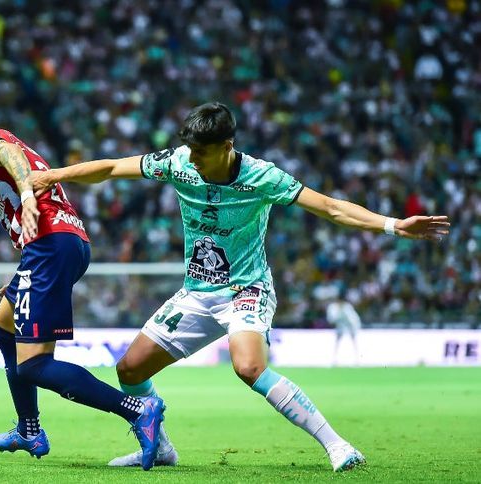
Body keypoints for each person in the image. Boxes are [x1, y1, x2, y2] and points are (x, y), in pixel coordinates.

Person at [32, 102, 451, 471]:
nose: (193, 159)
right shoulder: (178, 162)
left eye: (201, 152)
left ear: (227, 146)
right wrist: (55, 175)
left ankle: (338, 445)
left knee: (249, 368)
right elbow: (111, 168)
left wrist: (394, 225)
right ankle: (161, 449)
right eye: (190, 150)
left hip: (246, 290)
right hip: (197, 292)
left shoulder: (262, 177)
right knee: (129, 369)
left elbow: (330, 207)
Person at [0, 109, 166, 470]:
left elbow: (7, 153)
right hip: (61, 242)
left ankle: (137, 409)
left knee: (33, 365)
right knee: (2, 327)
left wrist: (27, 195)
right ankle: (29, 430)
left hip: (50, 245)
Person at [325, 287, 363, 366]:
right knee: (338, 342)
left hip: (350, 326)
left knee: (354, 341)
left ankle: (357, 358)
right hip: (340, 326)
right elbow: (331, 319)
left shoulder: (347, 306)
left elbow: (353, 318)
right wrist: (339, 315)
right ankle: (334, 359)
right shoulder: (333, 307)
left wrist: (354, 327)